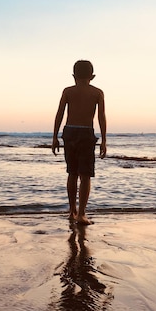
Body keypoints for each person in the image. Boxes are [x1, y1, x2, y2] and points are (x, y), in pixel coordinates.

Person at [52, 60, 107, 225]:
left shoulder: (68, 91)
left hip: (69, 131)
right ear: (93, 76)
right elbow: (101, 117)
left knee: (72, 173)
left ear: (74, 76)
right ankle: (82, 213)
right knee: (85, 175)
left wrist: (54, 136)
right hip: (85, 132)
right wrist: (104, 140)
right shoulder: (97, 93)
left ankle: (72, 211)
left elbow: (59, 114)